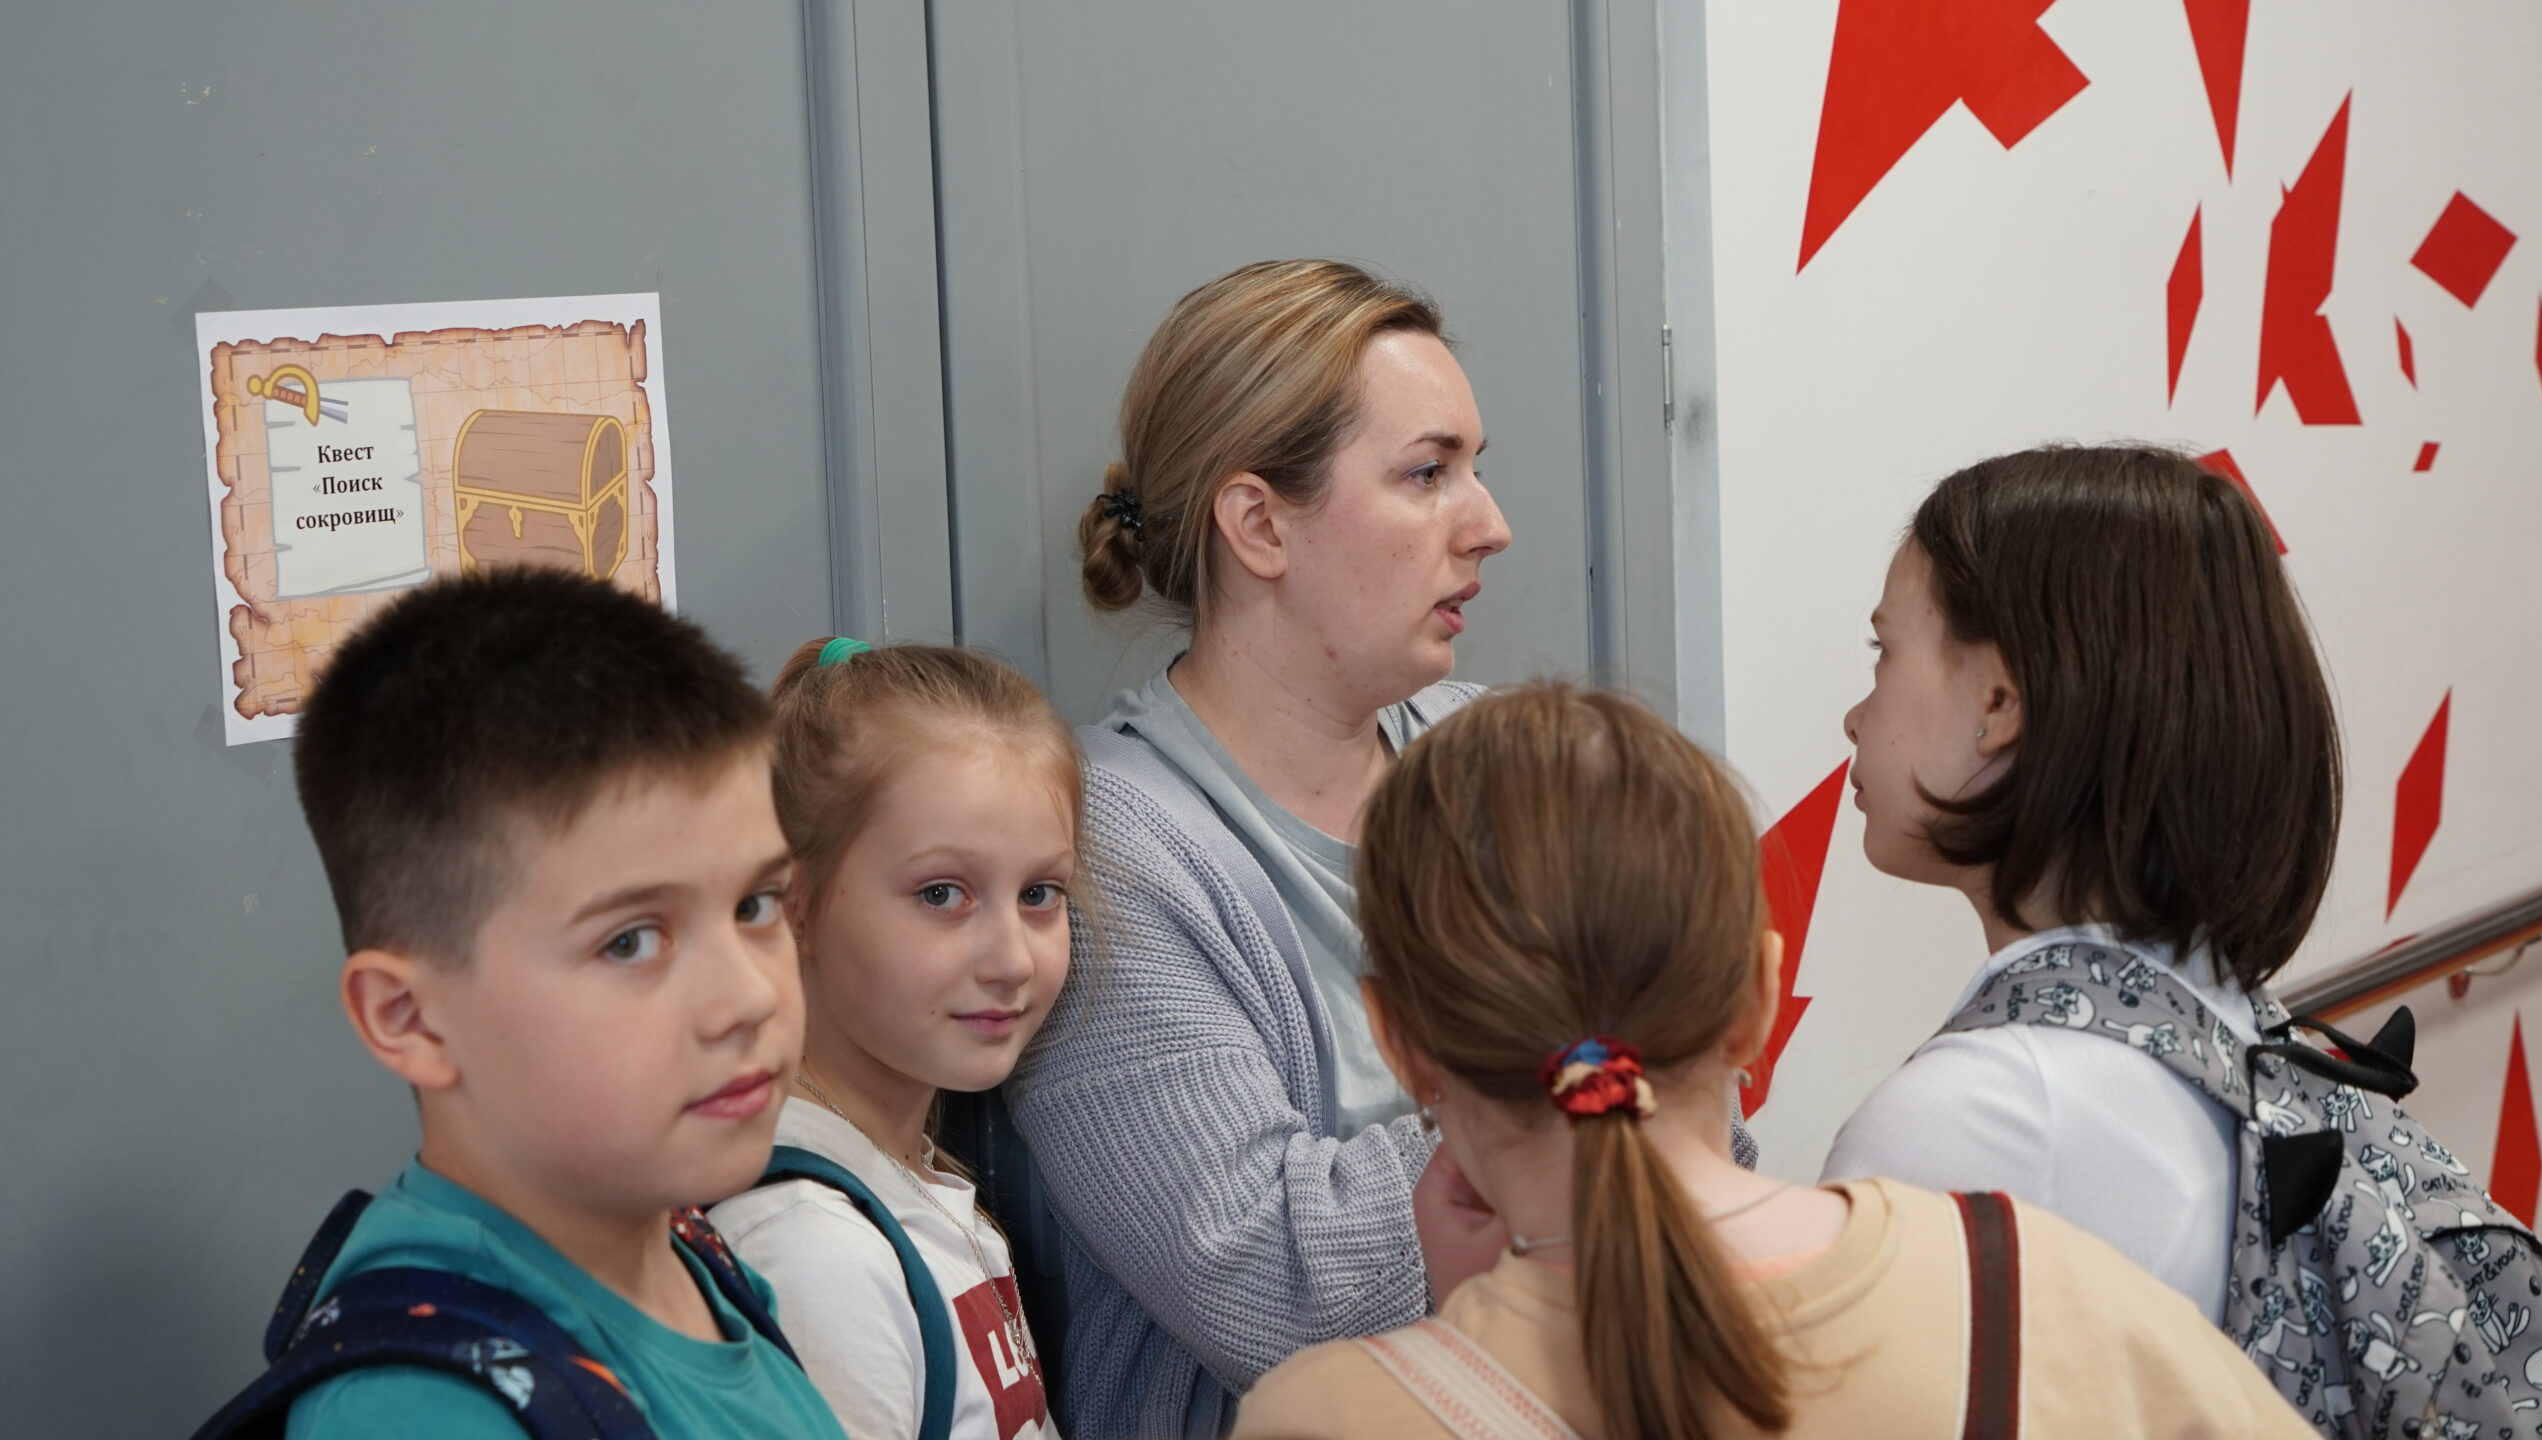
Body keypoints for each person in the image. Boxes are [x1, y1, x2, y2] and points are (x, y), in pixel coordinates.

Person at [1008, 258, 1756, 1439]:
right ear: (1259, 524)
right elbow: (1273, 1284)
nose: (1490, 526)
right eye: (1427, 473)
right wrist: (1605, 1095)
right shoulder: (1104, 847)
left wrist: (1576, 1111)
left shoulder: (1496, 759)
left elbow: (1710, 1148)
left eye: (1474, 467)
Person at [1233, 683, 2319, 1440]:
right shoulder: (2033, 1287)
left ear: (1400, 1042)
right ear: (1757, 997)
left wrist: (1464, 1326)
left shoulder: (1329, 1417)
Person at [276, 569, 842, 1439]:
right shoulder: (423, 1414)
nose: (750, 996)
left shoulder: (692, 1253)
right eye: (631, 941)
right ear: (410, 1018)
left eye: (755, 906)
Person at [1821, 444, 2342, 1317]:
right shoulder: (2218, 1015)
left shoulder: (1972, 1121)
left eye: (1885, 650)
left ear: (2000, 702)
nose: (1855, 717)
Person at [710, 641, 1076, 1440]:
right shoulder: (812, 1251)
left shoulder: (903, 1181)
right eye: (942, 894)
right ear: (793, 905)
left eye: (1040, 894)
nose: (1013, 960)